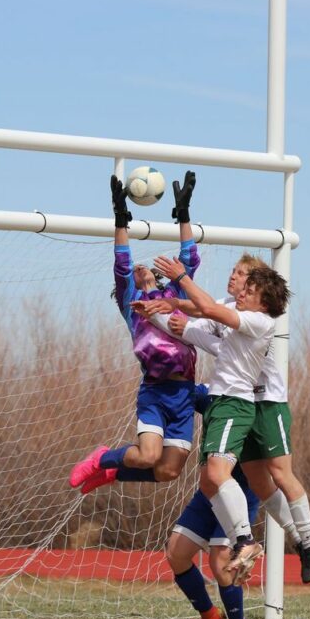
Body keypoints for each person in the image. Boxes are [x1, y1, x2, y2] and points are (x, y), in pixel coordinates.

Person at [153, 254, 310, 583]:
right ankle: (279, 538)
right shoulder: (236, 308)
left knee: (280, 473)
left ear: (261, 293)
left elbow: (207, 312)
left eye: (246, 279)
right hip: (237, 400)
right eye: (236, 275)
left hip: (265, 402)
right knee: (256, 483)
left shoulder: (256, 319)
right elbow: (204, 313)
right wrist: (169, 304)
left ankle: (309, 541)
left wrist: (180, 280)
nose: (238, 284)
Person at [69, 171, 199, 493]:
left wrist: (183, 215)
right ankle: (103, 458)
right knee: (147, 456)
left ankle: (114, 472)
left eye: (145, 266)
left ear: (157, 274)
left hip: (184, 393)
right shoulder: (133, 305)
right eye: (135, 269)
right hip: (155, 391)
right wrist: (120, 220)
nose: (139, 267)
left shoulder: (176, 299)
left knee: (168, 472)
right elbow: (122, 265)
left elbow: (188, 260)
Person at [167, 464, 261, 619]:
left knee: (220, 561)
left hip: (240, 495)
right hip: (209, 492)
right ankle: (209, 615)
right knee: (176, 553)